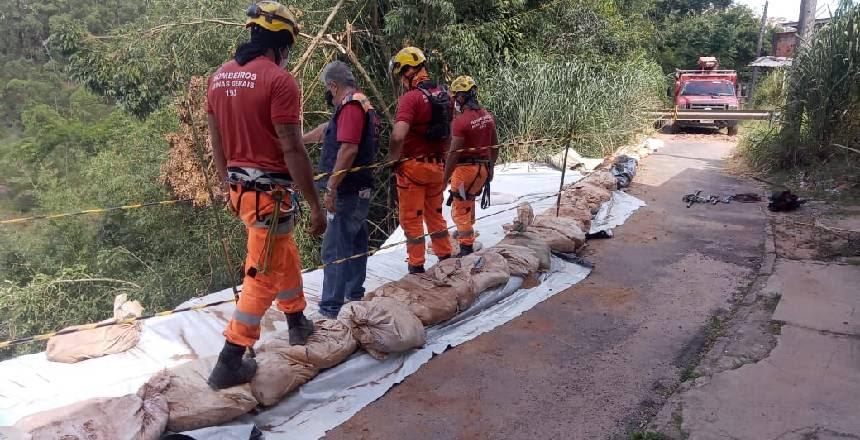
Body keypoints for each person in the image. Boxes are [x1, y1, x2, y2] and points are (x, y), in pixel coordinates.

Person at [205, 0, 326, 390]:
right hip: (270, 196)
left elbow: (216, 142)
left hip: (242, 192)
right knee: (261, 276)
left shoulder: (218, 78)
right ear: (282, 42)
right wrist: (315, 203)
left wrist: (227, 185)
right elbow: (292, 148)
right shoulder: (278, 80)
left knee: (281, 253)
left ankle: (295, 320)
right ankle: (231, 358)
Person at [302, 61, 379, 319]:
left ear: (333, 85)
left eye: (328, 88)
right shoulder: (358, 104)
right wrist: (298, 140)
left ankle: (331, 308)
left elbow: (348, 150)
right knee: (356, 240)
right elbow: (328, 132)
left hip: (347, 190)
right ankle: (353, 295)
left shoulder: (351, 107)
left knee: (335, 248)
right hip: (359, 188)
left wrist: (331, 188)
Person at [386, 46, 453, 274]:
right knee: (435, 215)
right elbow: (449, 134)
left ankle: (416, 266)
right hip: (437, 167)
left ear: (407, 71)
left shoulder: (411, 99)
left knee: (412, 220)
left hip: (412, 169)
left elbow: (398, 134)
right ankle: (446, 257)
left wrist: (393, 159)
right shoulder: (445, 96)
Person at [442, 75, 498, 257]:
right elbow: (494, 146)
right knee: (469, 200)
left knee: (459, 207)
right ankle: (467, 235)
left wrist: (444, 178)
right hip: (482, 168)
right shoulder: (487, 117)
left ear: (460, 97)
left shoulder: (461, 122)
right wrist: (491, 169)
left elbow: (454, 153)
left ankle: (466, 247)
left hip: (465, 170)